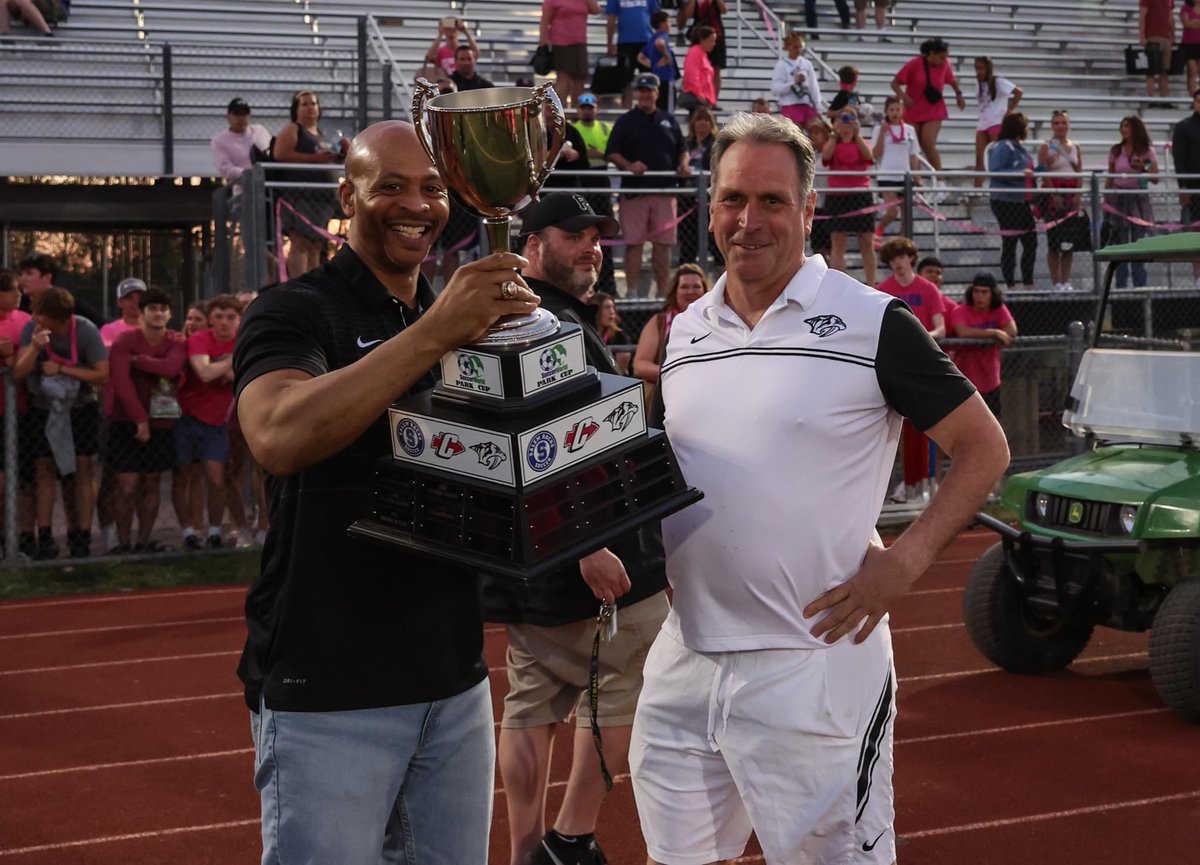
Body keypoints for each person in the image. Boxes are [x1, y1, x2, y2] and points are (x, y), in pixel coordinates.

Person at [629, 111, 1009, 865]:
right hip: (685, 661)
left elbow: (984, 448)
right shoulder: (686, 331)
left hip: (814, 669)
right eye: (734, 198)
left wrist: (903, 563)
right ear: (710, 208)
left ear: (808, 212)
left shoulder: (873, 322)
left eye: (773, 201)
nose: (750, 219)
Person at [233, 119, 539, 865]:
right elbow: (275, 432)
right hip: (330, 684)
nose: (417, 204)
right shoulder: (296, 309)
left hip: (455, 678)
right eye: (391, 186)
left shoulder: (456, 314)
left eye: (433, 188)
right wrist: (435, 334)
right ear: (348, 197)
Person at [492, 193, 668, 865]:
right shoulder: (545, 323)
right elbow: (534, 437)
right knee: (628, 694)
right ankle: (568, 841)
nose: (591, 247)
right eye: (574, 235)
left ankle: (525, 850)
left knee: (532, 703)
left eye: (597, 236)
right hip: (597, 555)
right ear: (531, 245)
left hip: (533, 559)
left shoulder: (517, 314)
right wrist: (586, 543)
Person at [13, 288, 110, 559]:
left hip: (80, 408)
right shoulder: (32, 330)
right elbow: (18, 374)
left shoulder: (85, 330)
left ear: (60, 318)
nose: (34, 318)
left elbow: (102, 375)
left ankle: (81, 535)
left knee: (82, 468)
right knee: (43, 468)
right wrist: (33, 347)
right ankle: (44, 535)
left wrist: (63, 369)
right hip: (43, 409)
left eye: (40, 314)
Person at [103, 287, 186, 554]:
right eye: (152, 308)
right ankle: (123, 542)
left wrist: (138, 360)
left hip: (163, 422)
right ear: (142, 312)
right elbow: (121, 381)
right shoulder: (124, 341)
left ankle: (143, 542)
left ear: (170, 313)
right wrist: (140, 420)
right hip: (125, 421)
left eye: (163, 309)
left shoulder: (176, 342)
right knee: (127, 485)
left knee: (152, 482)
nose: (158, 313)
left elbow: (171, 368)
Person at [606, 73, 690, 299]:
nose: (644, 94)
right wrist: (629, 165)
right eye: (640, 90)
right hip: (635, 192)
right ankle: (632, 293)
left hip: (665, 191)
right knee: (635, 244)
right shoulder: (626, 120)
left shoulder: (669, 120)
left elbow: (682, 150)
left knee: (663, 246)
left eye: (648, 90)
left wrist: (683, 164)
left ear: (657, 93)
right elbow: (612, 152)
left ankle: (663, 293)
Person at [877, 236, 946, 503]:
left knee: (932, 427)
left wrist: (921, 338)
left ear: (911, 259)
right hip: (896, 367)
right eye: (892, 259)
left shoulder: (928, 289)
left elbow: (941, 327)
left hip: (927, 366)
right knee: (899, 431)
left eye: (901, 257)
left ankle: (929, 484)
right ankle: (906, 484)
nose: (898, 263)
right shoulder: (883, 288)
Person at [175, 294, 243, 550]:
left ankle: (215, 531)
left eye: (230, 317)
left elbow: (240, 378)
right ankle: (189, 532)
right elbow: (203, 373)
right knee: (183, 476)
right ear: (211, 318)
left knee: (217, 479)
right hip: (186, 416)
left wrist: (224, 368)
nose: (224, 323)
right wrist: (231, 360)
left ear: (239, 319)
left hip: (217, 423)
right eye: (218, 316)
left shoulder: (244, 341)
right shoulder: (199, 339)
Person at [274, 90, 349, 279]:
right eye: (305, 104)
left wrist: (343, 152)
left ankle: (313, 285)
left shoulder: (323, 135)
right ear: (296, 109)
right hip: (300, 194)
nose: (310, 108)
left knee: (316, 244)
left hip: (322, 198)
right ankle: (300, 283)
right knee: (300, 242)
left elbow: (331, 161)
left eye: (314, 104)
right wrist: (314, 159)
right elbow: (280, 154)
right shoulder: (293, 128)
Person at [632, 263, 708, 409]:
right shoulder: (659, 322)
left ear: (706, 290)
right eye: (684, 287)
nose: (690, 291)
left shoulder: (720, 321)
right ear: (675, 292)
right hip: (667, 397)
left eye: (696, 286)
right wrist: (678, 374)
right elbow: (640, 365)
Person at [947, 272, 1016, 418]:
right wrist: (994, 333)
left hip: (991, 380)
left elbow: (1011, 330)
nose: (979, 296)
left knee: (993, 423)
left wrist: (994, 333)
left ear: (993, 294)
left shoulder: (998, 309)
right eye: (976, 291)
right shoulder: (961, 310)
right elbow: (963, 332)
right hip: (966, 381)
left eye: (984, 292)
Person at [892, 37, 966, 171]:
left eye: (945, 58)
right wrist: (904, 97)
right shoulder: (914, 64)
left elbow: (952, 81)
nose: (943, 61)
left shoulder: (944, 65)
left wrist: (959, 94)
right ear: (931, 54)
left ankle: (940, 178)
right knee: (914, 147)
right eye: (941, 57)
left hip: (934, 109)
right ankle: (916, 179)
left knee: (928, 143)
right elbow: (895, 83)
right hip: (914, 108)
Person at [0, 269, 34, 557]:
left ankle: (20, 539)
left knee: (20, 479)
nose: (19, 295)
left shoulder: (25, 321)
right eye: (13, 290)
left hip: (17, 412)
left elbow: (22, 364)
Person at [1037, 110, 1091, 292]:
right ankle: (1055, 282)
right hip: (1054, 192)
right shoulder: (1048, 146)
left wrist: (1077, 194)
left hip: (1071, 192)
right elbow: (1043, 171)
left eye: (1063, 122)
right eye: (1057, 123)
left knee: (1069, 241)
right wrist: (1054, 193)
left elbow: (1080, 172)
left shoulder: (1075, 146)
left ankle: (1066, 280)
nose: (1060, 126)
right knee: (1054, 240)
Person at [822, 109, 877, 284]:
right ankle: (839, 284)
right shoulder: (833, 142)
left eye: (850, 120)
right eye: (842, 120)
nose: (846, 124)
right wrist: (834, 133)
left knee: (866, 242)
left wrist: (857, 134)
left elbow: (869, 157)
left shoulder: (862, 142)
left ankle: (871, 282)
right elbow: (826, 157)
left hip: (860, 194)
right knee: (838, 243)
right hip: (838, 195)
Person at [1104, 114, 1159, 288]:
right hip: (1119, 199)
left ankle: (1139, 284)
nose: (1123, 129)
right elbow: (1111, 175)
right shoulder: (1116, 150)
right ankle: (1120, 284)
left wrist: (1143, 166)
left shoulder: (1146, 150)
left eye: (1126, 126)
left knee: (1137, 241)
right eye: (1122, 126)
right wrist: (1106, 197)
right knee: (1120, 242)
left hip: (1137, 198)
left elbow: (1155, 177)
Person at [987, 111, 1038, 290]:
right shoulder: (1003, 146)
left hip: (1020, 200)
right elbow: (995, 170)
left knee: (1030, 240)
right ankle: (1011, 284)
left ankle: (1027, 282)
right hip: (1005, 201)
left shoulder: (1018, 148)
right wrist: (1019, 174)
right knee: (1011, 241)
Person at [871, 95, 921, 244]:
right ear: (886, 111)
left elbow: (914, 155)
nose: (895, 113)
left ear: (903, 110)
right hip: (887, 175)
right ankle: (878, 232)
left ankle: (903, 242)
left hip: (905, 176)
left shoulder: (909, 130)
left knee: (906, 215)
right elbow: (875, 153)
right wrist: (882, 133)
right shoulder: (879, 129)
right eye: (891, 109)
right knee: (893, 211)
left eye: (898, 109)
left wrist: (917, 175)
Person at [677, 106, 720, 268]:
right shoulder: (685, 144)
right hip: (688, 201)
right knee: (688, 248)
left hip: (711, 200)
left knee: (717, 249)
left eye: (706, 120)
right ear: (693, 123)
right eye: (699, 119)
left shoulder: (718, 144)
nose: (702, 123)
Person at [540, 0, 599, 108]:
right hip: (561, 42)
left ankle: (576, 111)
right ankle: (561, 111)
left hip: (580, 42)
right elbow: (545, 21)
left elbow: (596, 10)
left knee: (580, 78)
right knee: (564, 79)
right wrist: (543, 44)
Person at [973, 57, 1022, 188]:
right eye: (977, 68)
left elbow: (1018, 92)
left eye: (982, 68)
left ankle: (1002, 186)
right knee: (980, 159)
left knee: (999, 157)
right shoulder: (978, 84)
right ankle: (976, 190)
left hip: (996, 122)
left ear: (988, 68)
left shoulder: (998, 81)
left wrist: (1010, 110)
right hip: (983, 123)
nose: (979, 71)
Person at [16, 253, 102, 326]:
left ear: (47, 277)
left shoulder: (69, 305)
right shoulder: (19, 305)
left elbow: (103, 327)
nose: (23, 278)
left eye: (29, 273)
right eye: (22, 274)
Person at [606, 0, 659, 107]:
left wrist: (658, 38)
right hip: (625, 42)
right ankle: (626, 110)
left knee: (649, 78)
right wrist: (610, 42)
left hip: (646, 41)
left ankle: (650, 108)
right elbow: (611, 18)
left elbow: (657, 16)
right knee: (625, 79)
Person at [210, 98, 272, 182]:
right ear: (228, 117)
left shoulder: (260, 131)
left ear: (249, 116)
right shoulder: (219, 141)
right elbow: (226, 168)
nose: (241, 118)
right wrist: (250, 174)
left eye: (244, 114)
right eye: (236, 114)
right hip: (241, 185)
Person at [771, 32, 824, 132]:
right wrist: (792, 83)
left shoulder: (806, 63)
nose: (798, 50)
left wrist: (818, 108)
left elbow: (813, 86)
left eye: (800, 47)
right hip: (790, 105)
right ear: (788, 47)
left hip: (806, 104)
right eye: (795, 47)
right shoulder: (781, 65)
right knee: (795, 134)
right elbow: (775, 89)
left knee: (817, 131)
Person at [1174, 89, 1200, 287]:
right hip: (1194, 188)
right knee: (1196, 234)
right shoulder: (1184, 127)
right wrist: (1183, 187)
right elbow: (1179, 158)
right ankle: (1198, 276)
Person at [677, 0, 727, 101]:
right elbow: (689, 14)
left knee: (716, 69)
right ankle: (697, 94)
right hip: (700, 36)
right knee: (697, 66)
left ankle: (714, 100)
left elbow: (724, 10)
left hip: (716, 35)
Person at [638, 10, 677, 112]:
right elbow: (660, 43)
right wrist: (666, 55)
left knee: (658, 110)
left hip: (656, 78)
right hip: (666, 77)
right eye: (668, 22)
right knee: (668, 110)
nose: (670, 25)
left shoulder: (651, 39)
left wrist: (652, 65)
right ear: (662, 24)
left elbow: (640, 57)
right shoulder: (662, 36)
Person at [422, 15, 479, 79]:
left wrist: (465, 31)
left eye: (454, 27)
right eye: (448, 28)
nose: (451, 30)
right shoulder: (440, 51)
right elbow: (430, 58)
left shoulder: (463, 52)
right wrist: (440, 34)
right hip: (447, 84)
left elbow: (476, 54)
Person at [1141, 0, 1176, 103]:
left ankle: (1164, 99)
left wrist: (1173, 34)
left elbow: (1170, 16)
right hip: (1152, 36)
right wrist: (1142, 36)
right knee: (1151, 70)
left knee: (1165, 70)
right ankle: (1151, 98)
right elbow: (1142, 16)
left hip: (1166, 37)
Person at [679, 25, 718, 114]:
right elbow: (692, 75)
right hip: (699, 98)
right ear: (702, 40)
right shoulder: (695, 53)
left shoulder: (702, 54)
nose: (714, 44)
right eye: (711, 41)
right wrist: (699, 94)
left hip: (704, 98)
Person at [593, 291, 633, 374]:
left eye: (613, 307)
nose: (612, 312)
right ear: (597, 310)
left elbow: (621, 371)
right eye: (607, 307)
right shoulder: (590, 334)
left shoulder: (621, 337)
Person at [98, 277, 144, 348]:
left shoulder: (156, 329)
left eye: (140, 298)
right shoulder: (109, 330)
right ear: (120, 302)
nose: (136, 302)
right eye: (130, 298)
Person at [1183, 1, 1200, 96]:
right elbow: (1186, 23)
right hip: (1189, 44)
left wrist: (1194, 22)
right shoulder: (1186, 7)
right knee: (1192, 71)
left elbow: (1190, 23)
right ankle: (1193, 96)